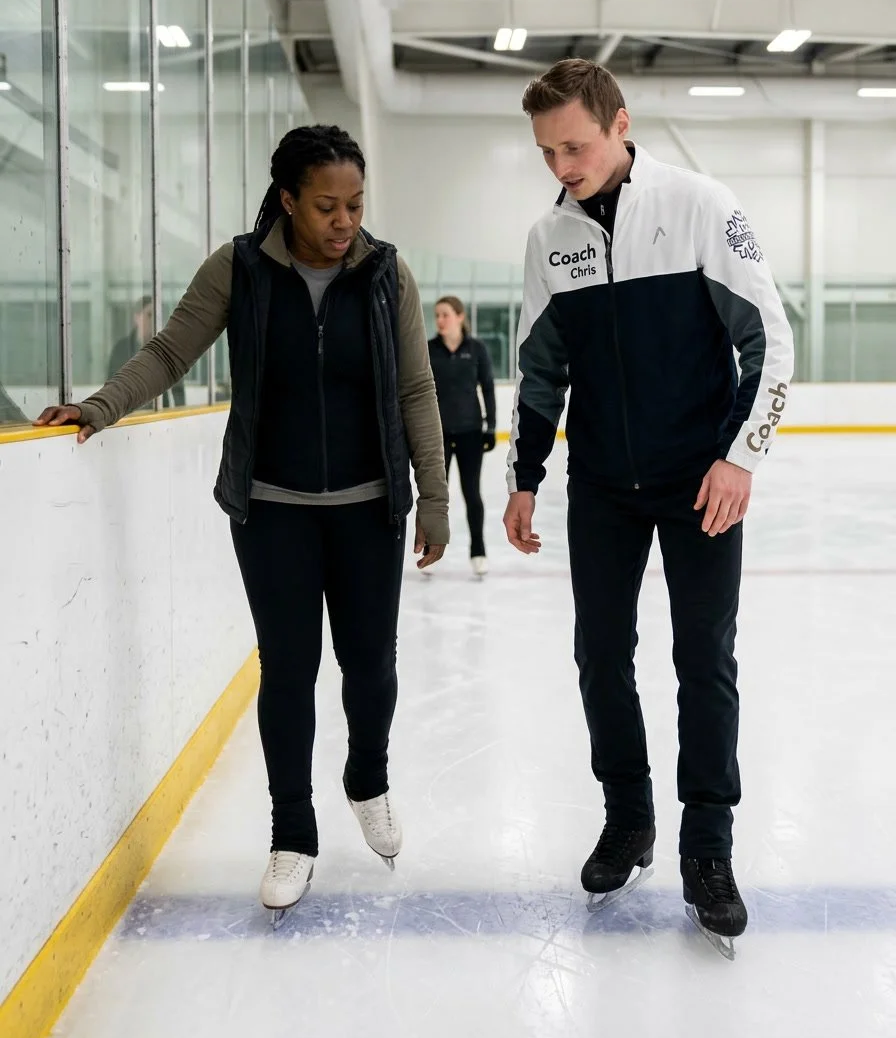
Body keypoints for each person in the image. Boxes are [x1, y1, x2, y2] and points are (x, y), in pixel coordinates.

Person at [36, 124, 449, 924]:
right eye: (326, 205)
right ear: (288, 200)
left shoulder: (387, 273)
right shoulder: (242, 269)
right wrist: (99, 406)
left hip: (370, 511)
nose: (343, 220)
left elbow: (418, 391)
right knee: (288, 671)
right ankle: (292, 830)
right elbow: (168, 352)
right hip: (272, 512)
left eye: (356, 204)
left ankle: (368, 778)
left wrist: (432, 497)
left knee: (371, 666)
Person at [503, 59, 794, 956]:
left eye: (576, 145)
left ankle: (708, 845)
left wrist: (739, 458)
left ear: (620, 124)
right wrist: (524, 476)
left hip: (700, 480)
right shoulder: (549, 240)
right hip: (601, 486)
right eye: (548, 151)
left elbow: (771, 345)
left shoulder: (702, 206)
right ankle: (628, 820)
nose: (562, 165)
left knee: (703, 658)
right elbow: (539, 372)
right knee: (601, 656)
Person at [428, 295, 496, 577]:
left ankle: (478, 550)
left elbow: (488, 389)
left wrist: (491, 427)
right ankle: (430, 548)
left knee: (471, 493)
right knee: (434, 496)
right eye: (437, 316)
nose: (440, 320)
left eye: (445, 314)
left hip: (470, 433)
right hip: (437, 436)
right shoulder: (429, 349)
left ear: (459, 316)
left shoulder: (477, 349)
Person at [108, 295, 186, 410]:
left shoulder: (165, 347)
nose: (154, 319)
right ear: (137, 317)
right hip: (130, 416)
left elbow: (178, 387)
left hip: (160, 414)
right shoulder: (122, 349)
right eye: (149, 314)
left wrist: (181, 415)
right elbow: (112, 386)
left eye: (157, 315)